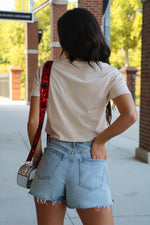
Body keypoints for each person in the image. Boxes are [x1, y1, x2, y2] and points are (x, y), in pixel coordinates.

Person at [27, 8, 137, 225]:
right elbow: (130, 115)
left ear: (64, 38)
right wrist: (100, 141)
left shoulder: (47, 69)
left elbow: (33, 122)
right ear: (94, 33)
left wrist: (39, 157)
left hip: (52, 158)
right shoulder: (109, 73)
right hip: (90, 160)